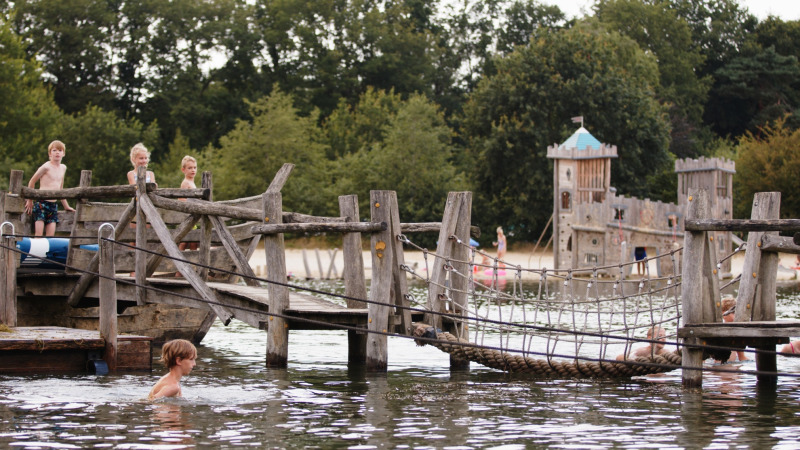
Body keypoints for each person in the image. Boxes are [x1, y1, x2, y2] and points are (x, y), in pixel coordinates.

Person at [24, 140, 76, 236]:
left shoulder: (63, 168)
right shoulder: (46, 167)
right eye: (54, 150)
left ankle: (48, 251)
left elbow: (60, 189)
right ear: (49, 153)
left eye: (60, 150)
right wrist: (30, 200)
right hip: (41, 203)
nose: (57, 152)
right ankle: (35, 251)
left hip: (53, 206)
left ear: (63, 153)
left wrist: (66, 206)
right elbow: (32, 181)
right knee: (38, 234)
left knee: (50, 237)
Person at [717, 297, 748, 362]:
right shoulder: (718, 332)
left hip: (733, 368)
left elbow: (742, 358)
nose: (736, 316)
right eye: (733, 313)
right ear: (723, 314)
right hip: (718, 367)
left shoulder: (737, 334)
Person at [178, 156, 199, 252]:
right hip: (188, 215)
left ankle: (192, 261)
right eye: (189, 168)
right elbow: (181, 200)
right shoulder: (185, 183)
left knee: (194, 240)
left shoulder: (192, 182)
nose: (193, 170)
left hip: (193, 214)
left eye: (194, 167)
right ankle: (177, 258)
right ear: (183, 170)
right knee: (185, 240)